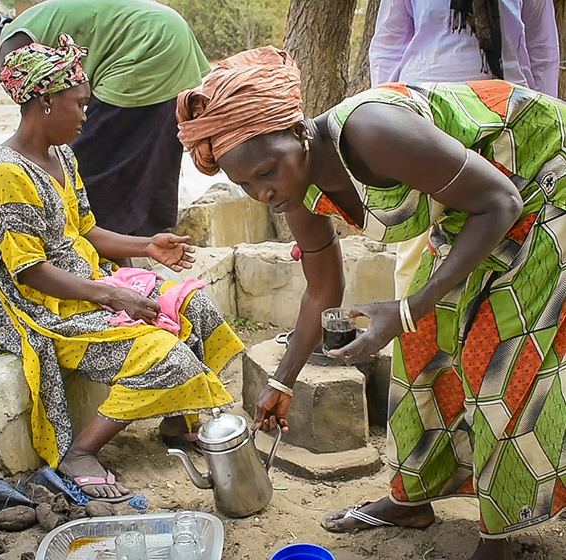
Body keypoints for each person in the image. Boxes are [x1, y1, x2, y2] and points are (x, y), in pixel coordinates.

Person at [176, 46, 566, 560]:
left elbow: (501, 202)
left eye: (267, 171)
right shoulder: (296, 187)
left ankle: (501, 534)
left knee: (499, 361)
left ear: (298, 132)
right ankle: (414, 498)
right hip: (479, 205)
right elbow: (322, 288)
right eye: (245, 184)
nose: (262, 193)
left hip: (543, 180)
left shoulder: (372, 132)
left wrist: (405, 308)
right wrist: (281, 382)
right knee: (424, 345)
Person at [0, 34, 243, 501]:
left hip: (89, 283)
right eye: (79, 104)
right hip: (43, 308)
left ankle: (178, 424)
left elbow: (87, 232)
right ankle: (80, 451)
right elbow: (30, 272)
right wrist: (114, 296)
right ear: (45, 102)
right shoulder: (4, 175)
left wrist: (149, 246)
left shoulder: (62, 156)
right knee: (165, 353)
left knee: (195, 306)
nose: (85, 115)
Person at [0, 0, 211, 237]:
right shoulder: (23, 27)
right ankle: (145, 246)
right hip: (170, 32)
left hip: (144, 47)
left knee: (85, 179)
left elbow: (38, 125)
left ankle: (116, 265)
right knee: (149, 151)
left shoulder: (12, 53)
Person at [369, 0, 559, 298]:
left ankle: (480, 342)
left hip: (507, 118)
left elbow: (541, 47)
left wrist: (545, 121)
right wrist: (384, 116)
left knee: (507, 242)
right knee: (418, 247)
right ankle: (409, 335)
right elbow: (388, 44)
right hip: (427, 116)